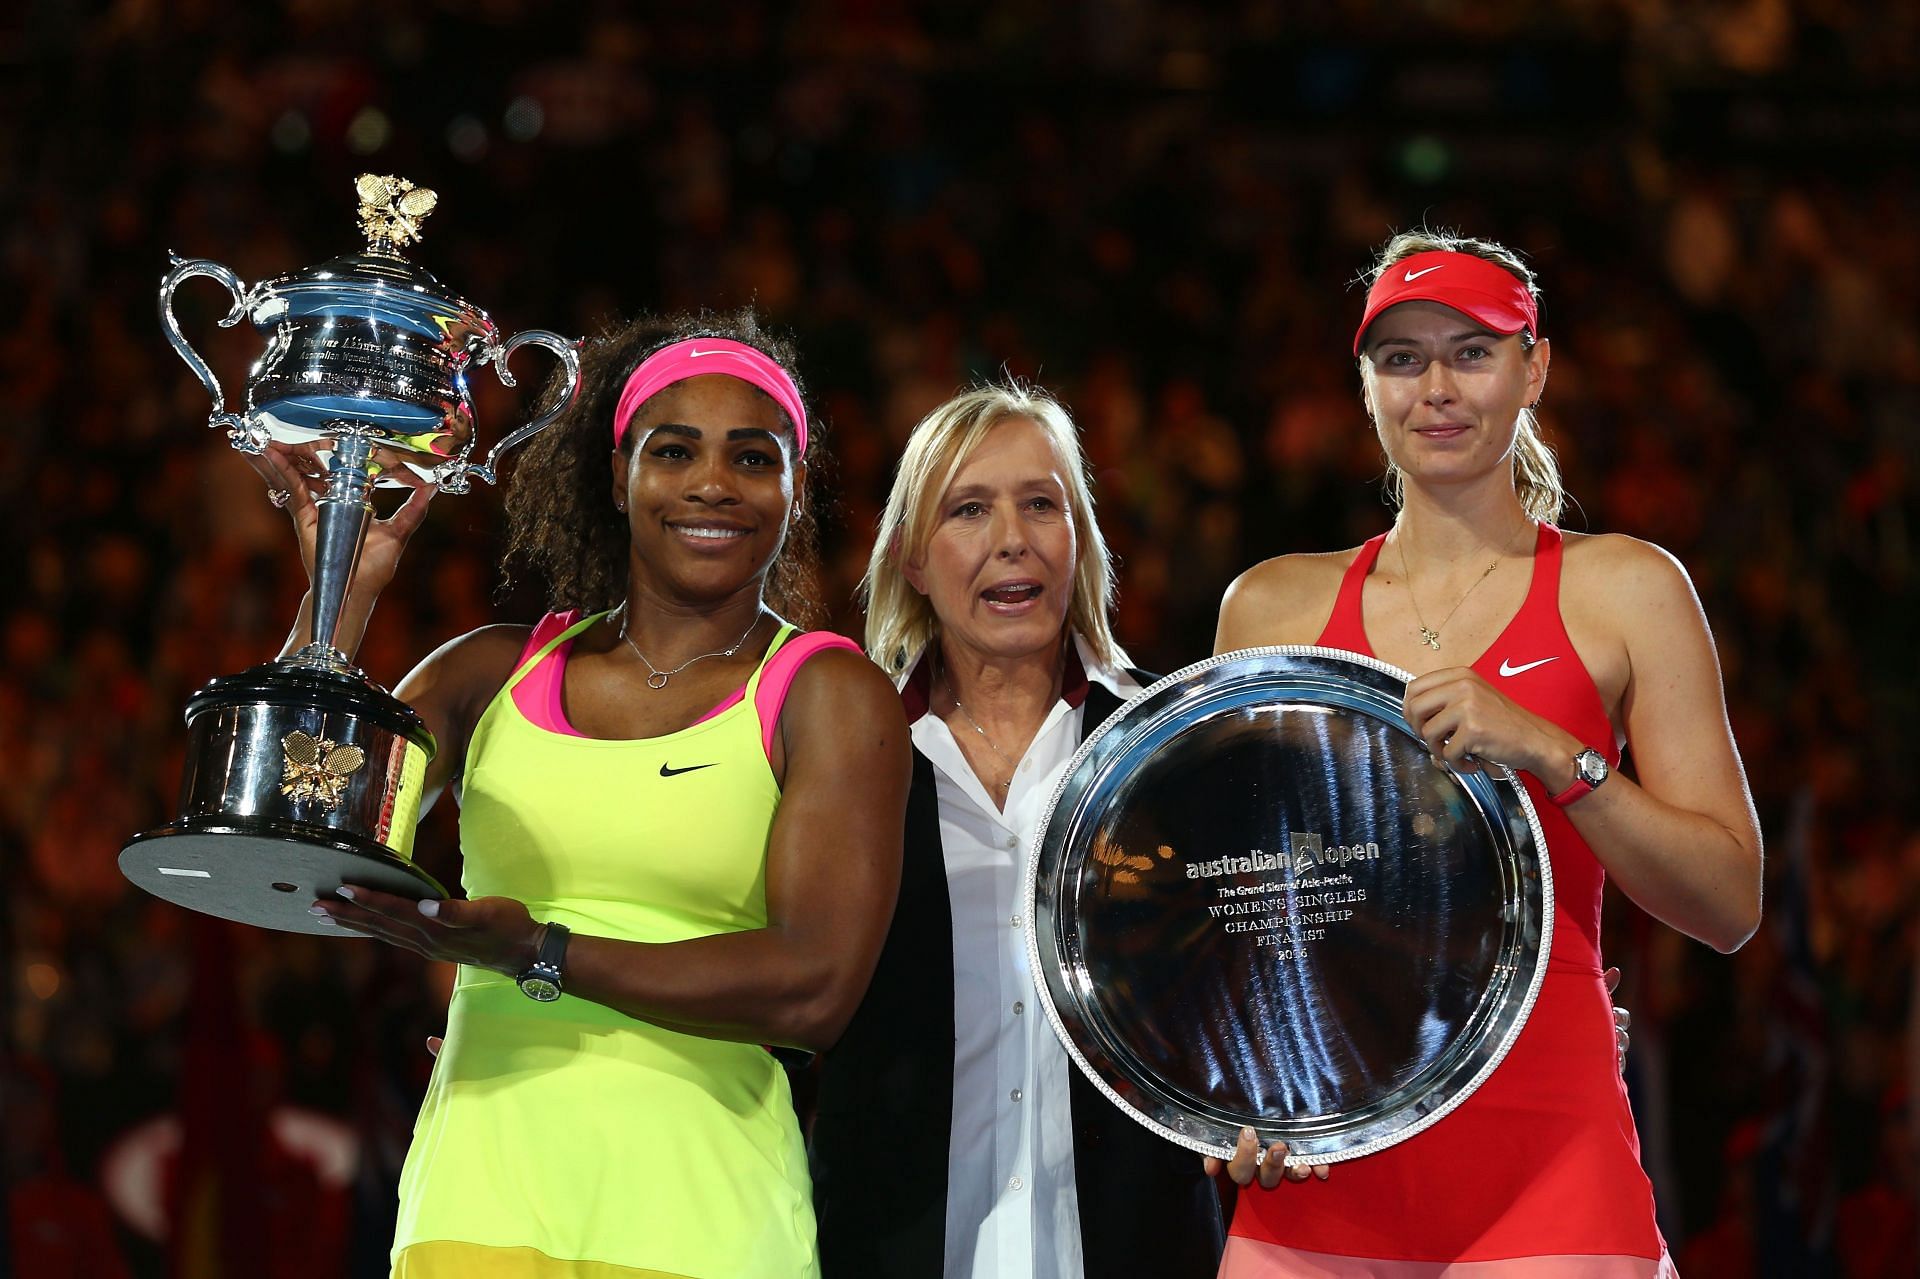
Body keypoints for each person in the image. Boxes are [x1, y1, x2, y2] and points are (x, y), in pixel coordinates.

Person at [262, 311, 911, 1277]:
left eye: (753, 458)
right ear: (619, 477)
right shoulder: (489, 672)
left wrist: (540, 952)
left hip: (706, 1228)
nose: (711, 485)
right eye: (674, 450)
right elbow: (284, 835)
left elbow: (813, 989)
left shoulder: (830, 693)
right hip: (473, 1208)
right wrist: (339, 601)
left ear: (795, 486)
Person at [1210, 231, 1763, 1275]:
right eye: (1403, 358)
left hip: (1547, 1157)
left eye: (1473, 351)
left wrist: (1561, 756)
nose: (1438, 388)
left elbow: (1729, 902)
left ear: (1535, 367)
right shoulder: (1268, 606)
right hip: (1325, 1167)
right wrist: (1232, 1085)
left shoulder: (1627, 588)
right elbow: (1246, 910)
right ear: (1366, 384)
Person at [808, 383, 1226, 1278]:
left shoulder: (1168, 749)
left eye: (1042, 503)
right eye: (970, 508)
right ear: (914, 559)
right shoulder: (844, 758)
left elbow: (1258, 985)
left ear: (1078, 540)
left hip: (1137, 1247)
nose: (1013, 538)